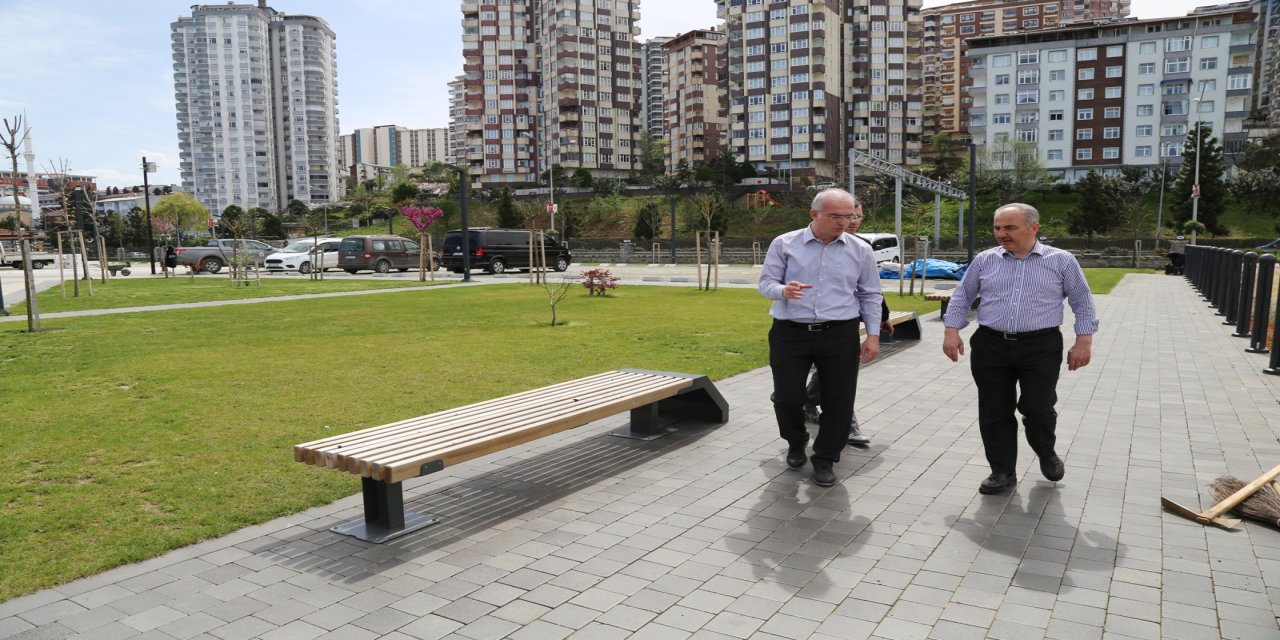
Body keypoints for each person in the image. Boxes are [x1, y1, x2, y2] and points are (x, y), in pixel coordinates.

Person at [942, 203, 1098, 495]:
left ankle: (1046, 452)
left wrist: (1084, 341)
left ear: (1034, 227)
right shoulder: (985, 260)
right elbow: (962, 295)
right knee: (994, 410)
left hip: (1040, 346)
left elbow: (1083, 301)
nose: (1002, 234)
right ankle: (1002, 471)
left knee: (1037, 408)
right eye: (998, 228)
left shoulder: (1062, 261)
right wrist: (952, 331)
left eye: (1010, 227)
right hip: (990, 345)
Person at [759, 188, 884, 487]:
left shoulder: (860, 250)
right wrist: (783, 291)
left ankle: (826, 457)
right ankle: (796, 439)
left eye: (849, 216)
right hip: (791, 332)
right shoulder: (784, 243)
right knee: (787, 397)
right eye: (835, 216)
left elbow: (871, 294)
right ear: (814, 214)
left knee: (839, 400)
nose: (844, 222)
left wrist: (873, 336)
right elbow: (766, 283)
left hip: (839, 332)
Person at [800, 199, 893, 447]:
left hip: (847, 324)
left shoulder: (860, 247)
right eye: (845, 216)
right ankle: (838, 420)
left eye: (856, 217)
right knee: (836, 377)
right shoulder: (808, 244)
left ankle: (810, 402)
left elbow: (871, 290)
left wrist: (882, 319)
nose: (851, 222)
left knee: (840, 377)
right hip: (813, 322)